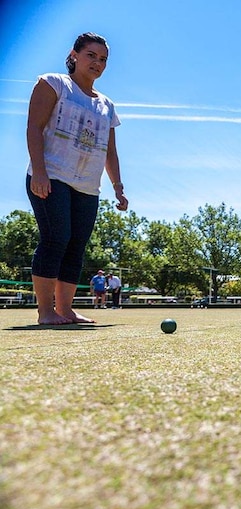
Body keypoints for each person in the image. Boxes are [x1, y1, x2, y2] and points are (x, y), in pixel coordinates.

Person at [26, 32, 128, 325]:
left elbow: (110, 152)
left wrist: (118, 188)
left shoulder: (107, 105)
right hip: (51, 176)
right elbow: (34, 128)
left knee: (76, 244)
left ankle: (66, 309)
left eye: (103, 59)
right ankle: (45, 311)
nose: (97, 63)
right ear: (74, 55)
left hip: (87, 185)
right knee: (55, 238)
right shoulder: (54, 84)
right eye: (91, 55)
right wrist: (40, 171)